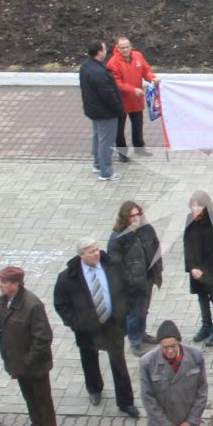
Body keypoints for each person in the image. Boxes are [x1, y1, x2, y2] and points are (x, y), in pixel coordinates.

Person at [52, 238, 138, 418]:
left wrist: (125, 311)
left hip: (112, 325)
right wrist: (76, 324)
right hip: (87, 329)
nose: (96, 253)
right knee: (89, 359)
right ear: (81, 255)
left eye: (97, 249)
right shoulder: (68, 277)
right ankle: (94, 388)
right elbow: (61, 304)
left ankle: (126, 402)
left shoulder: (113, 266)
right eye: (91, 251)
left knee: (118, 363)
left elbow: (129, 287)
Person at [0, 266, 56, 426]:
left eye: (4, 283)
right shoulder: (2, 302)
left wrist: (29, 360)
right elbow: (1, 328)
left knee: (42, 396)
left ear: (16, 284)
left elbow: (43, 337)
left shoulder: (32, 304)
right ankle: (36, 422)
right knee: (28, 394)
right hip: (16, 360)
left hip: (35, 363)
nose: (1, 286)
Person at [106, 201, 163, 355]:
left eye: (138, 214)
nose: (136, 218)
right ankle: (134, 340)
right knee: (133, 314)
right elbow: (115, 265)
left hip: (147, 279)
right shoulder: (117, 238)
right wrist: (126, 282)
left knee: (144, 310)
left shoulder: (147, 229)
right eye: (132, 216)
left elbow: (156, 249)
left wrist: (158, 270)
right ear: (125, 218)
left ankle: (142, 334)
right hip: (131, 284)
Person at [182, 191, 213, 347]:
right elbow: (187, 244)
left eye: (199, 205)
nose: (195, 208)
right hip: (195, 269)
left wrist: (202, 269)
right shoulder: (190, 219)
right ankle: (205, 325)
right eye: (193, 205)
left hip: (211, 269)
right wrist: (192, 267)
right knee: (201, 297)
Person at [78, 40, 125, 183]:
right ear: (99, 52)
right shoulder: (100, 73)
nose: (106, 51)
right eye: (104, 49)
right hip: (105, 113)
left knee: (98, 137)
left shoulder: (86, 67)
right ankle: (106, 172)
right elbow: (108, 95)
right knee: (107, 142)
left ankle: (97, 165)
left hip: (93, 110)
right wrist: (119, 109)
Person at [106, 38, 156, 164]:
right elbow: (117, 83)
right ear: (117, 48)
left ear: (131, 46)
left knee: (138, 125)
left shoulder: (138, 56)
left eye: (127, 47)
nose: (125, 50)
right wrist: (133, 90)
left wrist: (152, 78)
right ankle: (122, 153)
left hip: (136, 100)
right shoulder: (113, 63)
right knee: (119, 129)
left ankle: (139, 148)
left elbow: (146, 70)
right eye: (122, 48)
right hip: (121, 101)